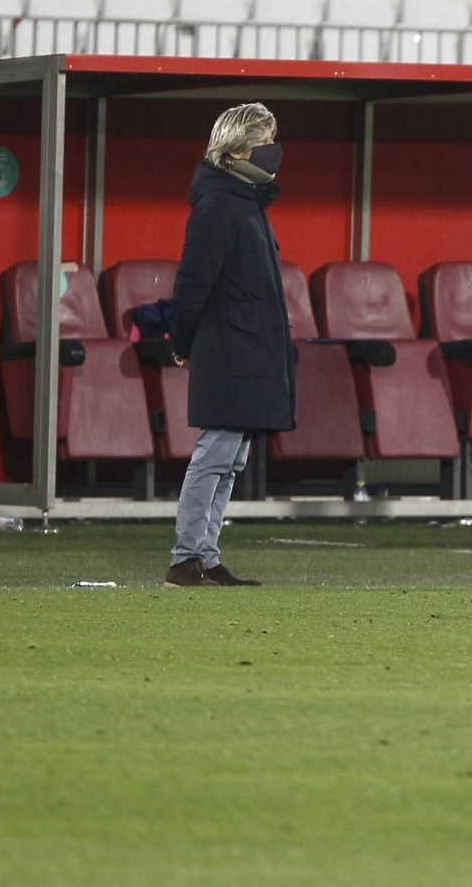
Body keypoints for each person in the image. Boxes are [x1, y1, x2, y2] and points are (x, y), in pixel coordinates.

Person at [164, 102, 297, 588]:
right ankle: (184, 559)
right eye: (265, 141)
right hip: (228, 347)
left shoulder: (244, 201)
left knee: (230, 457)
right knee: (215, 453)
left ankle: (205, 555)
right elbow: (193, 280)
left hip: (248, 346)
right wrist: (184, 340)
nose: (274, 150)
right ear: (239, 149)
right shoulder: (220, 205)